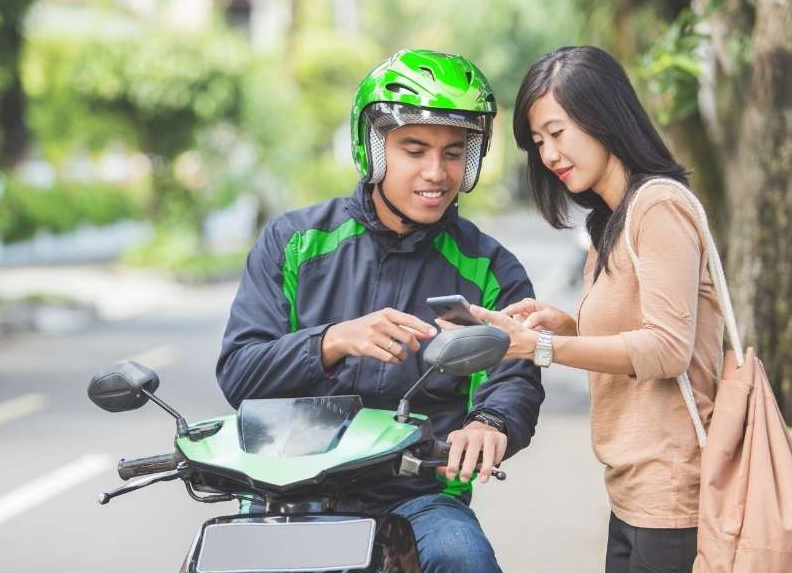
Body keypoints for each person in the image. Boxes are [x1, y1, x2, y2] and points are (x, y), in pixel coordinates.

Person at [216, 48, 545, 571]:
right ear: (373, 147)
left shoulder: (489, 266)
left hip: (417, 490)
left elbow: (515, 370)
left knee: (467, 560)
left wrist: (490, 422)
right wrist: (331, 341)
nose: (436, 173)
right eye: (414, 150)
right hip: (290, 489)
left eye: (454, 153)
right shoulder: (294, 242)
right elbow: (238, 370)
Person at [450, 45, 723, 573]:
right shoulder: (608, 223)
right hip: (633, 488)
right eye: (537, 142)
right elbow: (634, 332)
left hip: (674, 491)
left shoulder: (659, 206)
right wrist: (566, 323)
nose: (548, 154)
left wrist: (543, 347)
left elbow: (667, 349)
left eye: (557, 132)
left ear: (603, 117)